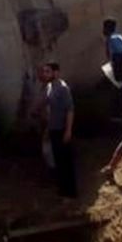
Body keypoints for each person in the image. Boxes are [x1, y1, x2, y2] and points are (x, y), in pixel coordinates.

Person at [39, 62, 76, 198]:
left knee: (66, 163)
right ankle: (62, 191)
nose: (45, 74)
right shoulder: (50, 87)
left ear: (56, 72)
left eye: (48, 71)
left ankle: (70, 193)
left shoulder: (63, 88)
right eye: (44, 71)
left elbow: (70, 110)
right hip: (53, 129)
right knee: (58, 162)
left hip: (62, 129)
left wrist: (68, 130)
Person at [104, 18, 122, 117]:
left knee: (121, 94)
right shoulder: (109, 39)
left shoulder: (114, 39)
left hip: (120, 69)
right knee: (117, 93)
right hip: (115, 68)